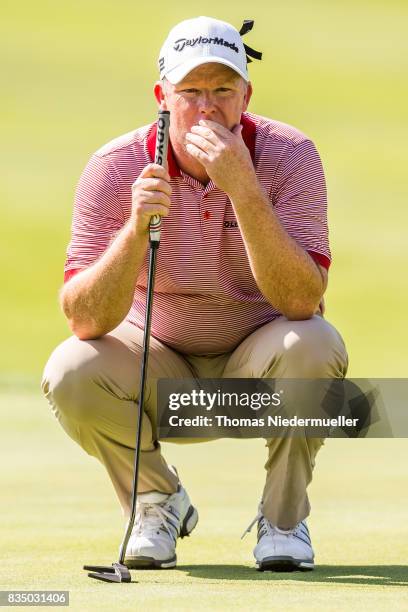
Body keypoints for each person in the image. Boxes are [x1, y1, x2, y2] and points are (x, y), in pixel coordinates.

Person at [42, 16, 348, 572]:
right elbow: (84, 319)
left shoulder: (291, 155)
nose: (207, 109)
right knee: (71, 368)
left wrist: (244, 189)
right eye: (190, 92)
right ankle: (157, 499)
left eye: (223, 90)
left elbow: (303, 300)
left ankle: (283, 520)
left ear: (246, 95)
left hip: (257, 380)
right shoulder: (114, 167)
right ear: (163, 96)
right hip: (162, 378)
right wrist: (136, 229)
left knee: (315, 341)